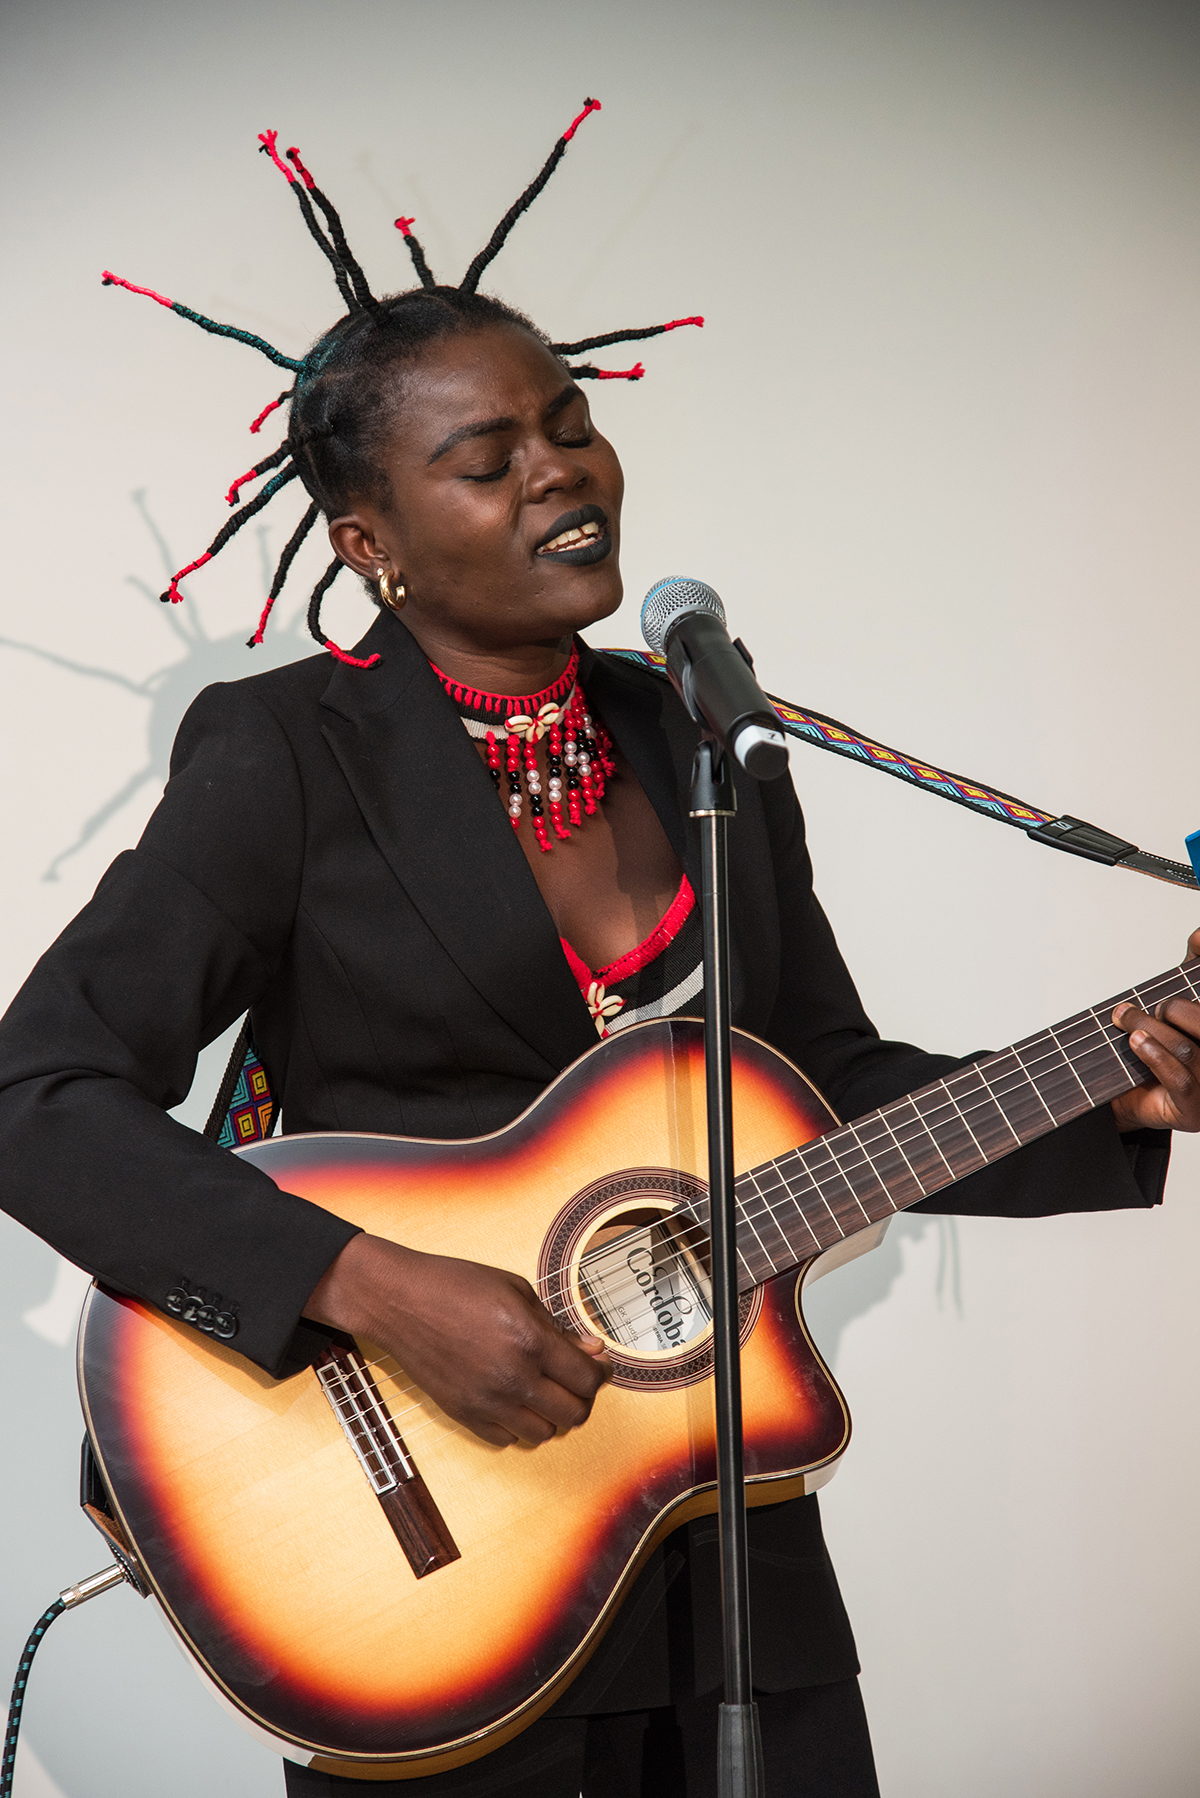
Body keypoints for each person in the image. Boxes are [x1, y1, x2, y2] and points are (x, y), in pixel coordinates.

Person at [3, 108, 1200, 1798]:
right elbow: (36, 1092)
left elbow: (826, 1087)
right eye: (487, 459)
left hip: (726, 1558)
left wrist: (1128, 1090)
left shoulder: (707, 745)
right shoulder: (287, 758)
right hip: (420, 1561)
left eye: (569, 428)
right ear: (371, 540)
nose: (559, 469)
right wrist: (371, 1286)